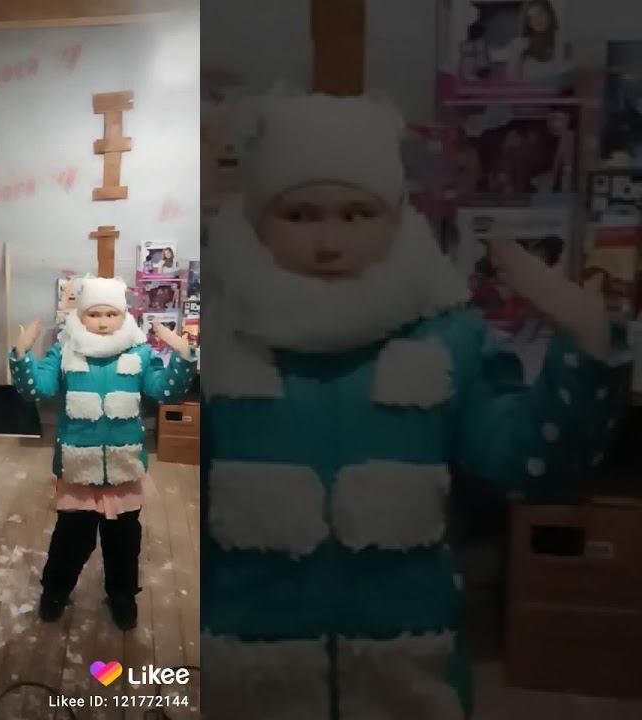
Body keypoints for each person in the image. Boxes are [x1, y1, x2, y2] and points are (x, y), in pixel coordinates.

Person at [202, 90, 619, 719]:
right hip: (246, 674)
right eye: (300, 214)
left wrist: (587, 343)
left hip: (407, 678)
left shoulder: (447, 341)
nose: (329, 241)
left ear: (395, 216)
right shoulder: (215, 344)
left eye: (357, 213)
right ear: (258, 219)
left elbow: (531, 466)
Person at [10, 276, 194, 630]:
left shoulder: (140, 352)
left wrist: (183, 357)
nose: (104, 321)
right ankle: (55, 591)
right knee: (70, 540)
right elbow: (36, 389)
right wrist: (21, 355)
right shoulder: (65, 350)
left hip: (124, 469)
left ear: (124, 315)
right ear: (81, 314)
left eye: (111, 313)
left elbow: (166, 392)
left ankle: (122, 595)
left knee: (124, 543)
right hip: (78, 468)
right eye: (94, 314)